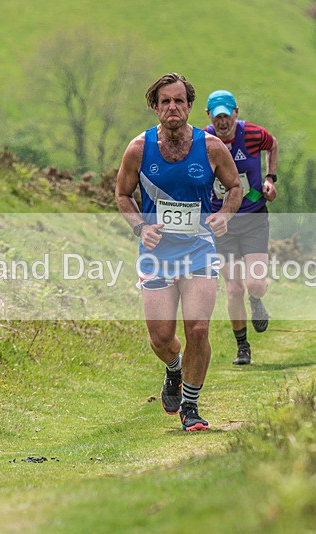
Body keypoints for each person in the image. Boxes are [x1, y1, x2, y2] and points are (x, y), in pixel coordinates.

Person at [115, 73, 241, 431]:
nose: (173, 107)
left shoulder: (212, 146)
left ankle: (191, 406)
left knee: (198, 328)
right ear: (155, 106)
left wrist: (224, 215)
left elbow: (234, 187)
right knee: (161, 336)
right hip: (156, 253)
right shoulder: (139, 149)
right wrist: (141, 227)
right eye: (165, 101)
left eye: (179, 101)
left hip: (200, 249)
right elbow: (122, 195)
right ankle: (174, 368)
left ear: (189, 107)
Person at [204, 90, 279, 366]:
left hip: (253, 217)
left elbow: (273, 145)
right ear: (209, 116)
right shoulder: (203, 141)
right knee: (234, 287)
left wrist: (270, 178)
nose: (223, 121)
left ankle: (257, 300)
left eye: (227, 115)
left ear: (236, 112)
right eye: (218, 116)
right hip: (222, 223)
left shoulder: (253, 134)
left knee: (255, 283)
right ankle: (242, 346)